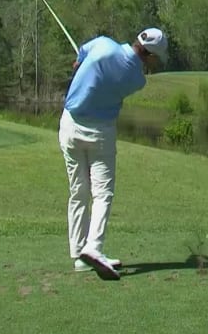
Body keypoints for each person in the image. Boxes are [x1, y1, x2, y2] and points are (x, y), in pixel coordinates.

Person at [58, 27, 168, 280]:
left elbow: (80, 58)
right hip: (99, 133)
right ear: (149, 56)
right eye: (155, 59)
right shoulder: (137, 80)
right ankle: (94, 248)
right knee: (102, 193)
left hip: (70, 124)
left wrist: (81, 64)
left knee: (78, 191)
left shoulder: (103, 44)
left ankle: (79, 255)